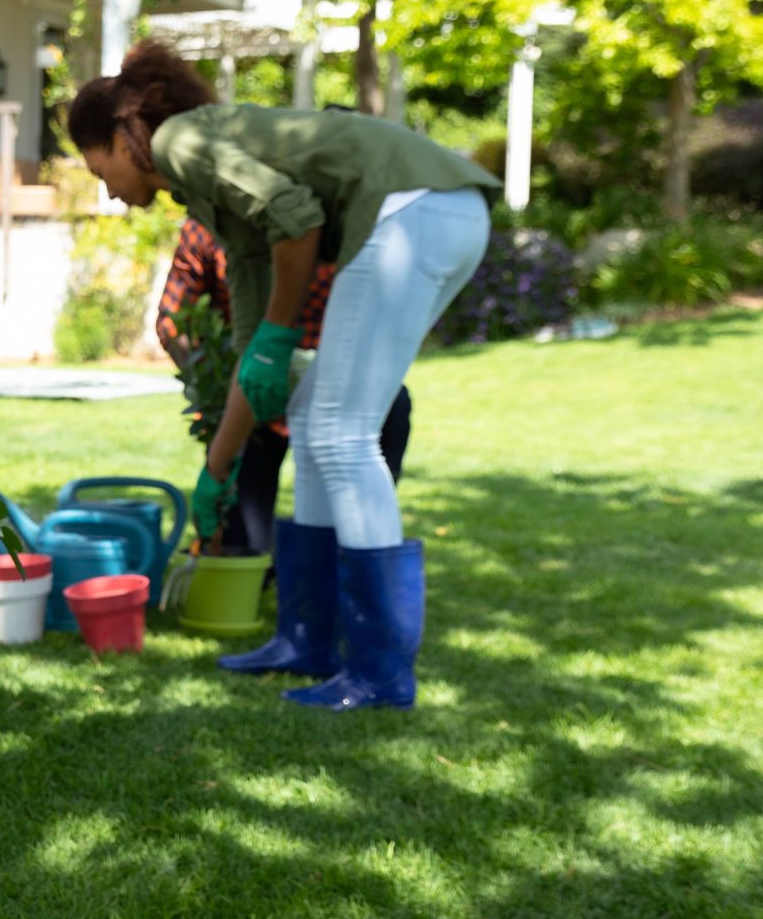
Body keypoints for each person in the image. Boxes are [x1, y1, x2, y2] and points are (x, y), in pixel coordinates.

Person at [70, 43, 497, 710]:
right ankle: (309, 639)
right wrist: (219, 468)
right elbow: (254, 353)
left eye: (100, 170)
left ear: (125, 135)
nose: (111, 194)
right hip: (436, 212)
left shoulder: (181, 139)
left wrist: (277, 333)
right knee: (314, 419)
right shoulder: (206, 192)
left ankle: (380, 674)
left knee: (340, 432)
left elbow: (298, 221)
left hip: (414, 210)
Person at [153, 217, 413, 571]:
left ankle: (353, 552)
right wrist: (212, 386)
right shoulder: (206, 223)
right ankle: (262, 562)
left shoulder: (327, 219)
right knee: (245, 554)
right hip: (251, 395)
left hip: (329, 383)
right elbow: (173, 319)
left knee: (395, 406)